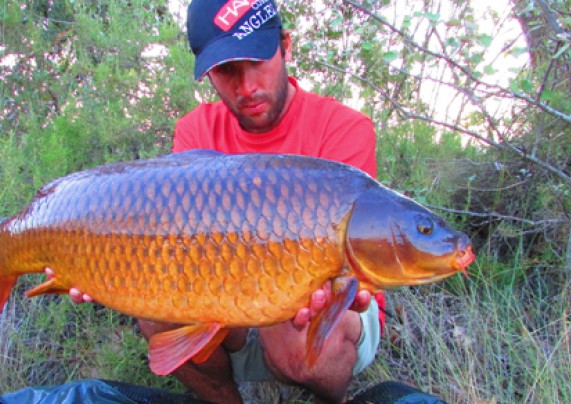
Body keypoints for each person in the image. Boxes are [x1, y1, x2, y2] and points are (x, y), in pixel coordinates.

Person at [50, 1, 386, 402]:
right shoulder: (195, 131)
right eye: (227, 71)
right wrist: (95, 264)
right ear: (208, 72)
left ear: (285, 46)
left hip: (323, 310)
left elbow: (359, 257)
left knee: (296, 325)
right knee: (158, 310)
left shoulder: (343, 128)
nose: (247, 88)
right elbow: (171, 249)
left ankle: (333, 400)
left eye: (258, 61)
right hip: (231, 305)